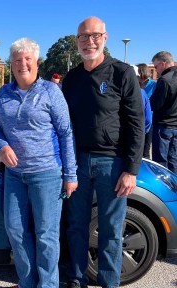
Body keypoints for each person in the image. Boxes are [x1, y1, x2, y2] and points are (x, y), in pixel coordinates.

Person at [62, 17, 144, 288]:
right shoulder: (72, 79)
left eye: (95, 35)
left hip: (113, 162)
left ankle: (110, 283)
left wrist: (131, 170)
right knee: (76, 226)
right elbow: (64, 126)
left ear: (105, 38)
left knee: (111, 231)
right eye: (84, 37)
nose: (89, 41)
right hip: (79, 163)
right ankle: (76, 279)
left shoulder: (122, 74)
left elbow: (136, 123)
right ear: (77, 41)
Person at [0, 38, 77, 288]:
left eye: (27, 59)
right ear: (11, 64)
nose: (22, 64)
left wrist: (70, 175)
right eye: (17, 60)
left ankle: (48, 285)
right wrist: (2, 145)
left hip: (47, 173)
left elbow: (66, 133)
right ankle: (27, 282)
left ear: (37, 62)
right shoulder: (4, 94)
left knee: (46, 235)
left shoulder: (51, 92)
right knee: (16, 231)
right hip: (15, 174)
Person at [149, 51, 177, 174]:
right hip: (175, 126)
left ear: (163, 64)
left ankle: (163, 192)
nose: (156, 70)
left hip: (163, 126)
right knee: (174, 162)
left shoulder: (165, 80)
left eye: (156, 67)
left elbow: (155, 104)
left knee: (160, 165)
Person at [136, 64, 154, 158]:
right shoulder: (133, 85)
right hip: (138, 121)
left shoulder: (154, 85)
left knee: (145, 150)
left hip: (148, 121)